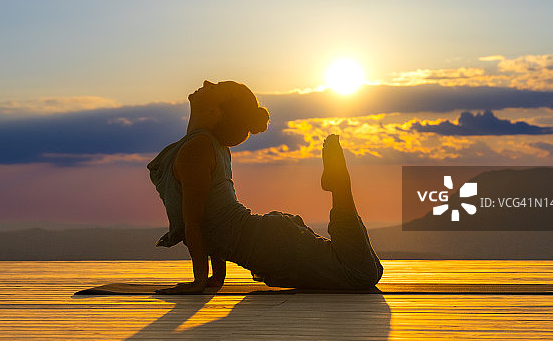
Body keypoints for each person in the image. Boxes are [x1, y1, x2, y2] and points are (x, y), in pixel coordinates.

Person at [147, 80, 383, 294]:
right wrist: (216, 276)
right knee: (368, 269)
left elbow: (195, 223)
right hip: (271, 242)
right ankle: (338, 187)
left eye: (216, 87)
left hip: (273, 245)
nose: (207, 82)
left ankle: (340, 186)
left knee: (361, 273)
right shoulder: (206, 146)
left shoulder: (199, 148)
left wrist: (200, 281)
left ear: (214, 112)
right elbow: (213, 216)